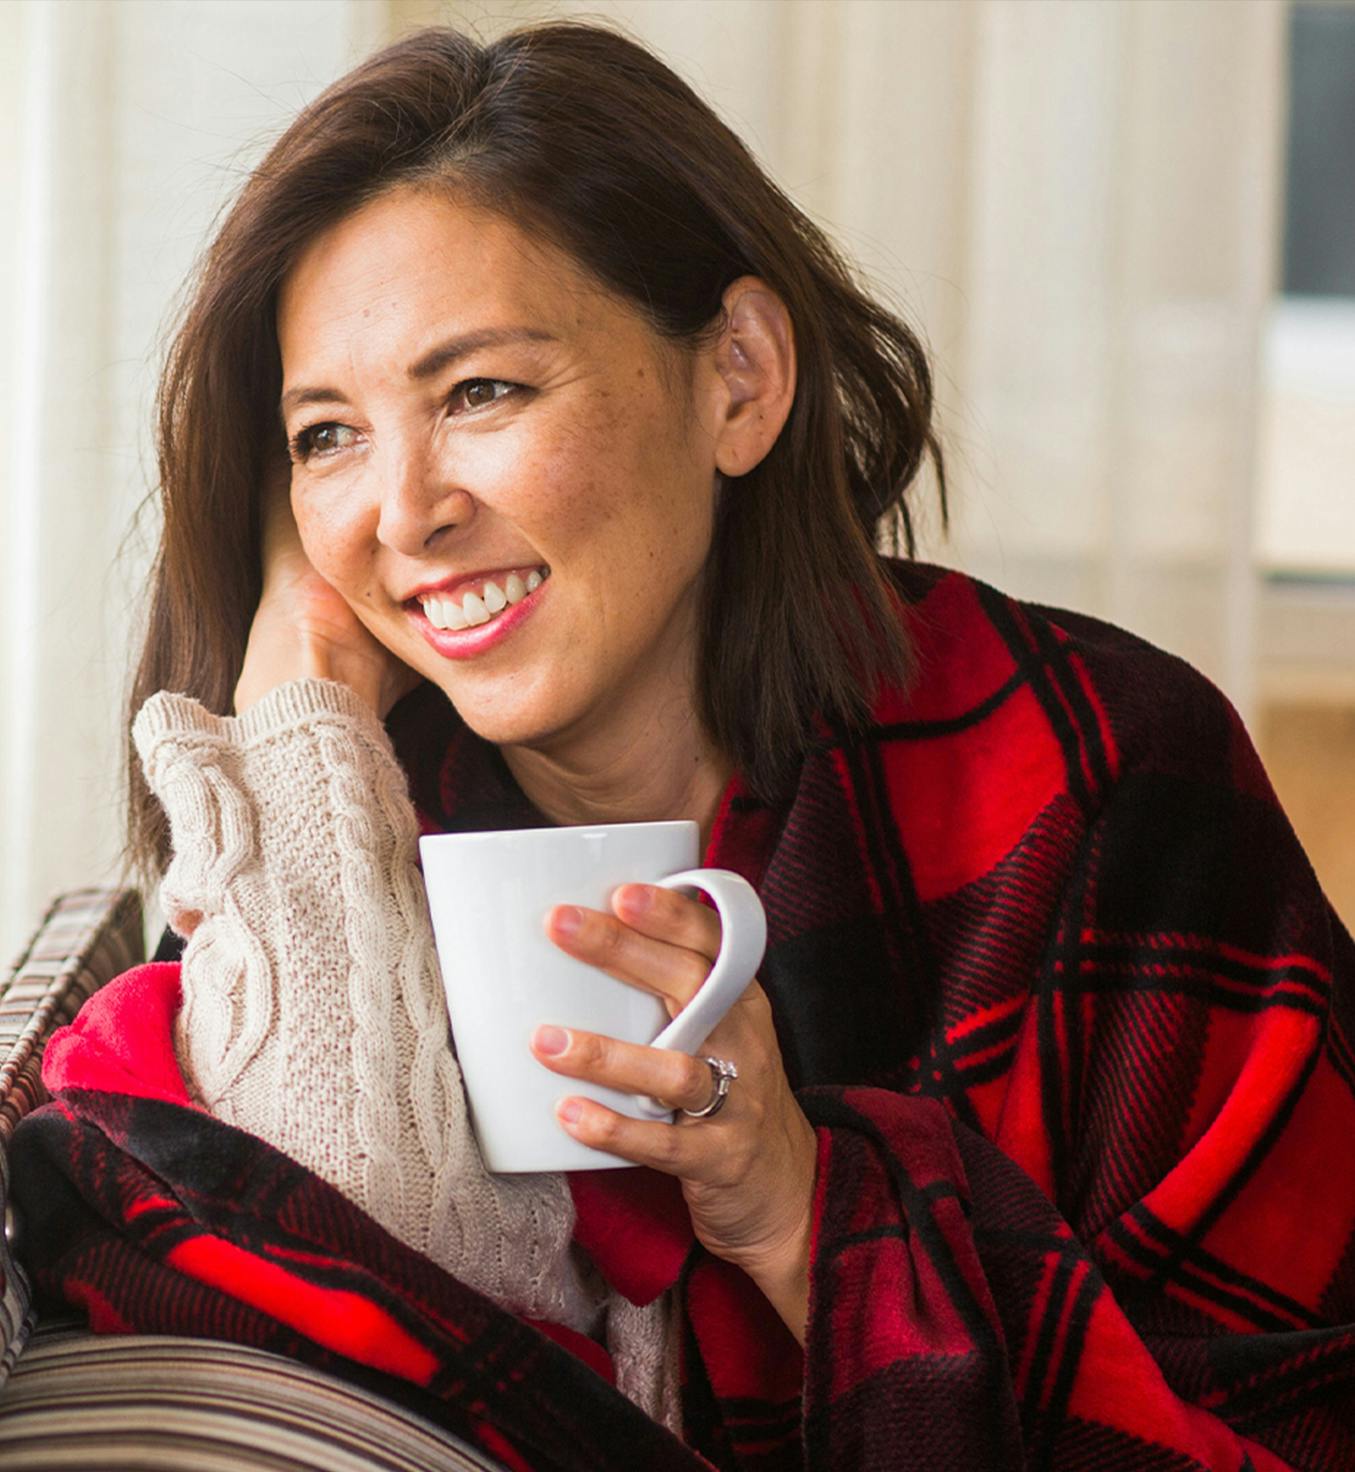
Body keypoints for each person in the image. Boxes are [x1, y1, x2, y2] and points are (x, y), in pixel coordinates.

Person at [11, 20, 1355, 1471]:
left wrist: (806, 1214)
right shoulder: (345, 841)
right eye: (328, 435)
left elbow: (1296, 1430)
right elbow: (320, 1374)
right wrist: (305, 732)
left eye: (480, 393)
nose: (402, 513)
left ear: (739, 379)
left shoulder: (1104, 786)